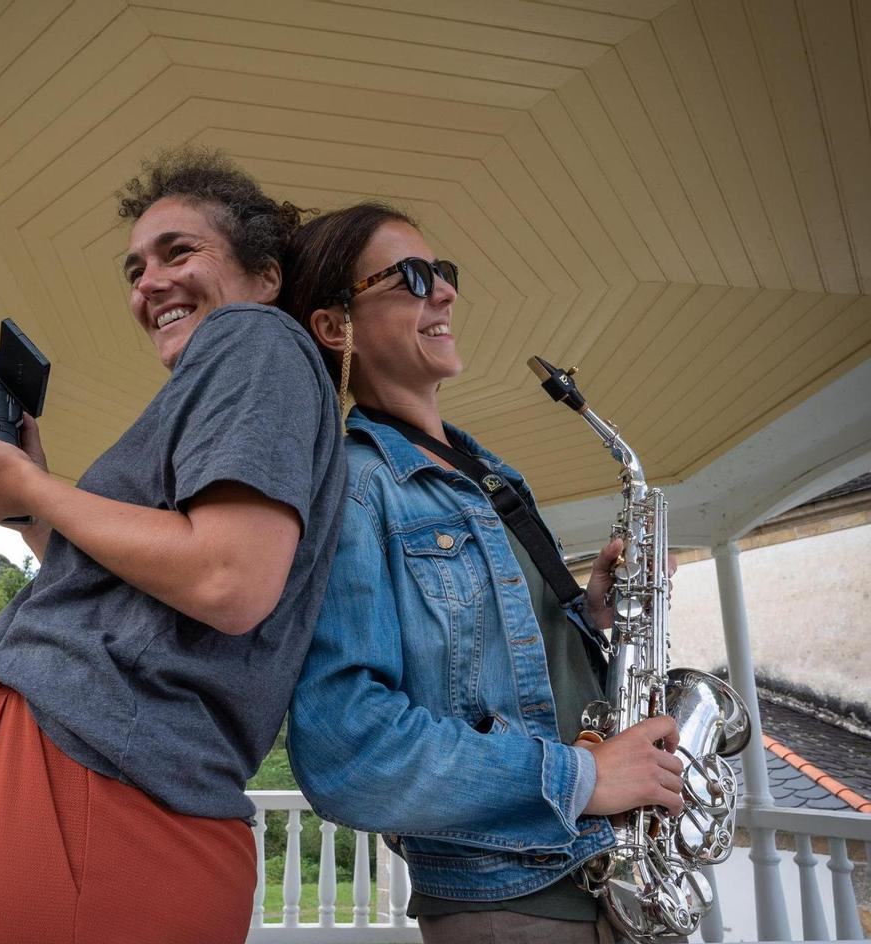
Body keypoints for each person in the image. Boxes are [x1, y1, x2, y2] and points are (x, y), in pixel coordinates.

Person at [0, 149, 346, 944]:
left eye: (179, 252)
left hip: (101, 791)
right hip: (90, 775)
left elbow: (228, 580)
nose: (148, 284)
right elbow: (142, 597)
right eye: (135, 269)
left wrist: (31, 488)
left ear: (266, 277)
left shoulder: (252, 338)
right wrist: (28, 504)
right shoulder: (238, 371)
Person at [279, 203, 684, 944]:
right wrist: (585, 779)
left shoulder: (489, 473)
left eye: (443, 272)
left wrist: (586, 616)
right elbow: (348, 746)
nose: (445, 291)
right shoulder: (354, 487)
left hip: (620, 873)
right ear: (336, 327)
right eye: (411, 277)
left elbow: (496, 667)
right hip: (513, 903)